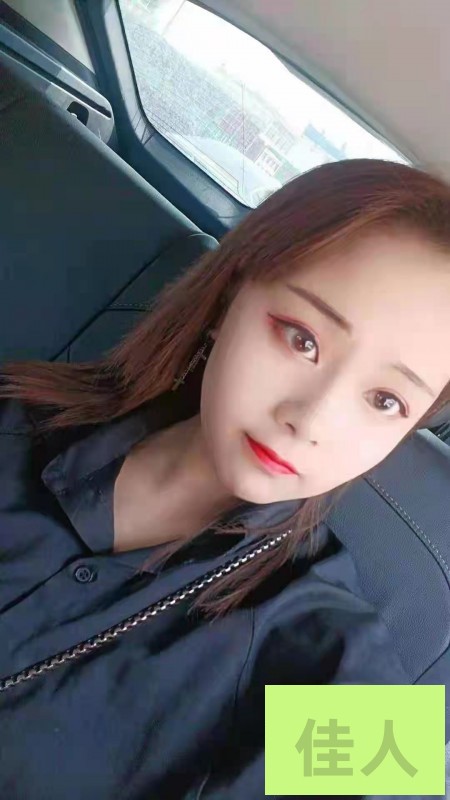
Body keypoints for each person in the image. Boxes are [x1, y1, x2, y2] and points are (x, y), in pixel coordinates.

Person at [0, 158, 449, 800]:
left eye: (384, 401)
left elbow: (401, 773)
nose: (310, 419)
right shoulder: (17, 418)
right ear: (229, 297)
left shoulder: (333, 669)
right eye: (302, 339)